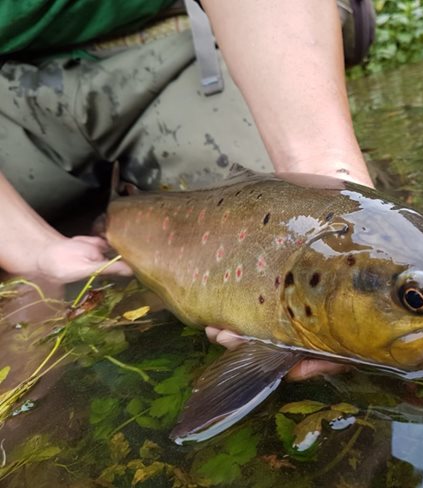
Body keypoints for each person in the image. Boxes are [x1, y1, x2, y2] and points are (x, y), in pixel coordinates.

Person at [0, 0, 375, 379]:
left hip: (171, 40)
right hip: (7, 82)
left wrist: (327, 178)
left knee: (269, 202)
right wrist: (32, 250)